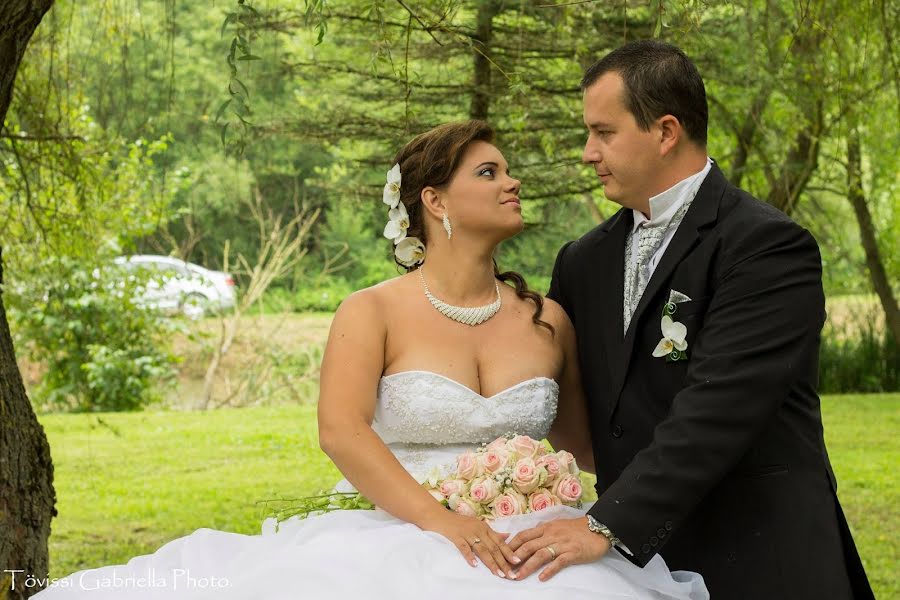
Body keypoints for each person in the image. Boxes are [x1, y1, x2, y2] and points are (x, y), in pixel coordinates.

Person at [31, 121, 708, 599]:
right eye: (489, 171)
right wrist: (445, 522)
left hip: (529, 532)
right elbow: (342, 432)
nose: (513, 181)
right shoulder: (372, 311)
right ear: (434, 202)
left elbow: (587, 448)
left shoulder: (546, 319)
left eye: (507, 169)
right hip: (403, 529)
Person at [507, 40, 874, 599]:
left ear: (665, 131)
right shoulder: (582, 261)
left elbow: (719, 408)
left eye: (604, 133)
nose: (587, 152)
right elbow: (556, 388)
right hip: (628, 572)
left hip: (756, 553)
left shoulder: (766, 246)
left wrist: (606, 524)